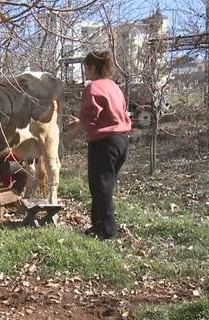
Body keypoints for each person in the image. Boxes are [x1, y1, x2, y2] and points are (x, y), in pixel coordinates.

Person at [66, 50, 132, 239]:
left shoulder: (93, 87)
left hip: (105, 144)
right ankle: (98, 225)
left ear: (92, 67)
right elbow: (106, 115)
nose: (85, 72)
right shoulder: (113, 86)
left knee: (100, 187)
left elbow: (89, 118)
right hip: (121, 141)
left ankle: (106, 231)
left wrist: (66, 139)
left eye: (86, 68)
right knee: (104, 186)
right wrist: (79, 122)